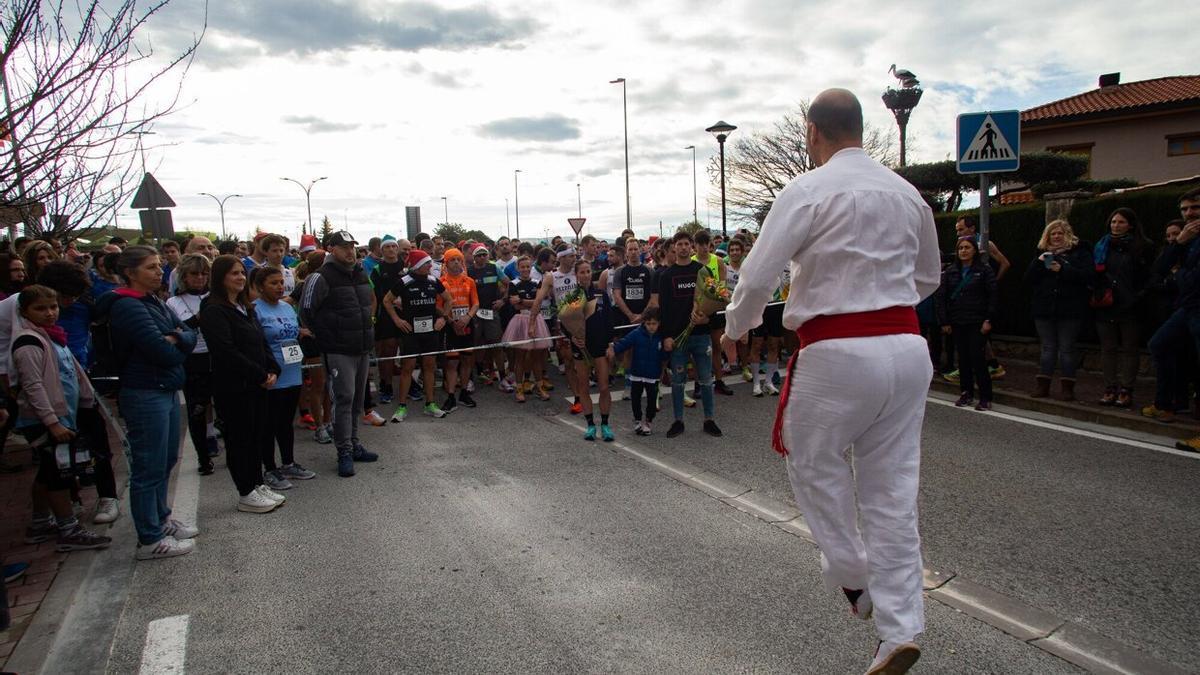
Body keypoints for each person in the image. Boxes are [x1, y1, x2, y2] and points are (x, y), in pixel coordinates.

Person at [722, 89, 940, 674]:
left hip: (837, 351)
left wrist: (735, 328)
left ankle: (854, 581)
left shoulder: (807, 190)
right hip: (908, 347)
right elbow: (928, 277)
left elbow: (759, 275)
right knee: (892, 494)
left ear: (813, 132)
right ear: (862, 129)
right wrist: (881, 301)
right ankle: (899, 631)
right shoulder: (907, 193)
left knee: (813, 464)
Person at [94, 245, 199, 560]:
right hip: (144, 391)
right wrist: (176, 340)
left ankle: (162, 519)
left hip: (164, 387)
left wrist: (176, 337)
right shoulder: (126, 305)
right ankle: (150, 538)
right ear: (130, 272)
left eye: (158, 266)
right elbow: (161, 350)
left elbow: (188, 333)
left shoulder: (153, 300)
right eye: (151, 267)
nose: (159, 271)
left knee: (165, 461)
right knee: (148, 466)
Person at [13, 285, 113, 551]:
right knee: (58, 475)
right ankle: (67, 529)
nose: (49, 313)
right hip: (46, 420)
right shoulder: (28, 342)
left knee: (47, 473)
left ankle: (39, 522)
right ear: (24, 311)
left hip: (64, 414)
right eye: (40, 308)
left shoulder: (52, 336)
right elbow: (33, 386)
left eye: (53, 307)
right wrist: (52, 422)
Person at [199, 256, 285, 513]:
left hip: (258, 384)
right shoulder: (213, 309)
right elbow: (226, 351)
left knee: (256, 435)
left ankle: (257, 483)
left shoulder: (245, 306)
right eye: (233, 273)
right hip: (235, 386)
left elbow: (260, 341)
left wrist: (272, 368)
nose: (239, 278)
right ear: (220, 277)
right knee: (240, 439)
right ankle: (245, 490)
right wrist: (259, 374)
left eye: (241, 273)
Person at [300, 231, 379, 477]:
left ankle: (354, 444)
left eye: (352, 247)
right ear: (331, 248)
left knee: (357, 401)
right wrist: (326, 336)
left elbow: (367, 305)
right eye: (344, 247)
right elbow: (306, 311)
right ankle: (343, 450)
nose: (350, 251)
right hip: (337, 350)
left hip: (362, 347)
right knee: (343, 400)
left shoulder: (360, 272)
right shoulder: (319, 276)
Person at [650, 231, 721, 438]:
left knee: (706, 379)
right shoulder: (666, 276)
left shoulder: (703, 271)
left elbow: (714, 301)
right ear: (674, 247)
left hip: (701, 335)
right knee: (678, 380)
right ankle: (678, 421)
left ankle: (709, 419)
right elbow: (664, 310)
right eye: (679, 244)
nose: (682, 247)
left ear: (691, 247)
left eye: (686, 244)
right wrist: (666, 336)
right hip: (678, 338)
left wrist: (707, 319)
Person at [252, 266, 316, 488]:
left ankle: (288, 463)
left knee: (285, 423)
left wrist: (301, 332)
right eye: (273, 283)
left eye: (281, 282)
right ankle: (269, 468)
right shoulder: (255, 310)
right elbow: (256, 343)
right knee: (268, 424)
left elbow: (292, 331)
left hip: (293, 372)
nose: (280, 287)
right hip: (272, 375)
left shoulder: (288, 308)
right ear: (260, 287)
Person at [1147, 189, 1200, 430]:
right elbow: (1160, 268)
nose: (1190, 213)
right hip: (1188, 306)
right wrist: (1179, 242)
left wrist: (1179, 276)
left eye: (1195, 208)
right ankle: (1164, 404)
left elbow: (1188, 277)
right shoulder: (1187, 239)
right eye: (1185, 209)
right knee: (1159, 344)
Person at [1025, 220, 1092, 400]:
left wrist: (1063, 269)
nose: (1056, 237)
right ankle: (1043, 385)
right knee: (1047, 348)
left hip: (1069, 309)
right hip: (1045, 308)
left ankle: (1067, 387)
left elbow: (1087, 276)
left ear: (1067, 235)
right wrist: (1038, 263)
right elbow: (1029, 279)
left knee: (1067, 349)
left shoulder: (1079, 254)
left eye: (1060, 233)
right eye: (1053, 234)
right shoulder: (1042, 254)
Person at [165, 254, 219, 475]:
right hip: (192, 359)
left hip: (216, 356)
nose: (199, 278)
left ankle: (221, 440)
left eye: (204, 273)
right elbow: (177, 330)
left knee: (225, 407)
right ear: (184, 277)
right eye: (194, 274)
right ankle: (203, 457)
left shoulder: (214, 296)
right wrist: (199, 317)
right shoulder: (173, 302)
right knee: (197, 409)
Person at [1093, 208, 1153, 408]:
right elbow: (1095, 274)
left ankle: (1127, 389)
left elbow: (1147, 276)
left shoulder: (1142, 247)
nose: (1116, 226)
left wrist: (1138, 297)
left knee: (1129, 349)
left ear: (1131, 225)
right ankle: (1109, 388)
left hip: (1130, 305)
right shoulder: (1102, 246)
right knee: (1108, 349)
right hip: (1106, 303)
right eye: (1113, 222)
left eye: (1120, 222)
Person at [382, 249, 451, 421]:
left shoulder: (433, 281)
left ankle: (430, 404)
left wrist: (443, 318)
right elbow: (386, 300)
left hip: (430, 331)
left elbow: (449, 300)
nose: (430, 266)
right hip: (410, 332)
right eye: (427, 263)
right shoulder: (404, 281)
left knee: (429, 366)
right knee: (408, 368)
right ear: (418, 265)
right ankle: (402, 406)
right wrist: (397, 320)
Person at [938, 237, 998, 410]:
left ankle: (985, 397)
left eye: (967, 247)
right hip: (958, 321)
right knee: (962, 359)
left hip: (977, 321)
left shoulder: (984, 271)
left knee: (977, 357)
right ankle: (966, 392)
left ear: (974, 250)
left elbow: (992, 296)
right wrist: (945, 321)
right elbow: (942, 298)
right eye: (961, 248)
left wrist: (989, 319)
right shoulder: (950, 272)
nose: (963, 251)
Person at [530, 246, 582, 414]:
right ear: (561, 258)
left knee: (583, 362)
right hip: (563, 324)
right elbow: (538, 301)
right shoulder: (551, 277)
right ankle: (578, 397)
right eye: (570, 256)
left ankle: (584, 392)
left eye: (575, 255)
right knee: (568, 362)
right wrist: (532, 323)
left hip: (583, 323)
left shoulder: (580, 271)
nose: (574, 258)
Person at [567, 259, 615, 441]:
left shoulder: (601, 294)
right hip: (581, 347)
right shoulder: (572, 297)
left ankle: (605, 424)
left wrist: (610, 343)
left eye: (588, 271)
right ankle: (590, 425)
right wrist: (571, 336)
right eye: (582, 272)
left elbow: (610, 321)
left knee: (603, 386)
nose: (585, 275)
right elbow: (565, 321)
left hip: (600, 346)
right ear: (576, 275)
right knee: (584, 387)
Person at [293, 250, 332, 443]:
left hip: (330, 339)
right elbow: (288, 305)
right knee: (319, 384)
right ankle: (319, 426)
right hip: (313, 340)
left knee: (330, 385)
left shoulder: (330, 281)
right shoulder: (306, 284)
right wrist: (299, 327)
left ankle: (328, 421)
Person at [608, 307, 667, 435]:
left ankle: (648, 421)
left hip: (653, 374)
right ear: (643, 323)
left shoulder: (661, 337)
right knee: (635, 398)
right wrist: (613, 349)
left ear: (659, 323)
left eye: (654, 324)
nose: (651, 327)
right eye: (648, 324)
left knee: (652, 400)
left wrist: (663, 370)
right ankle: (638, 420)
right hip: (637, 374)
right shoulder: (636, 333)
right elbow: (624, 343)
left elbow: (664, 356)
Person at [503, 255, 553, 402]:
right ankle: (519, 388)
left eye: (527, 267)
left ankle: (539, 386)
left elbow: (539, 301)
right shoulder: (513, 283)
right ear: (518, 268)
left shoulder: (538, 282)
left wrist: (524, 300)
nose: (525, 269)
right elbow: (515, 305)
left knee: (537, 356)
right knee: (520, 357)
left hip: (536, 319)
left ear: (531, 268)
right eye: (522, 267)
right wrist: (530, 302)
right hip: (519, 321)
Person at [437, 247, 479, 412]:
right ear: (446, 263)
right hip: (450, 327)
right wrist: (451, 321)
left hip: (467, 325)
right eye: (452, 260)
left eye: (459, 260)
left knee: (467, 360)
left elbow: (475, 303)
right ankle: (451, 396)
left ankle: (464, 392)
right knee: (452, 362)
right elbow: (438, 306)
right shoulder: (440, 282)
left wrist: (467, 317)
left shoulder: (469, 281)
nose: (456, 263)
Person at [692, 231, 734, 396]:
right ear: (695, 245)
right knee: (698, 349)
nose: (703, 247)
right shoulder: (692, 262)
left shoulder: (717, 261)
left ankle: (719, 381)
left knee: (717, 346)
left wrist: (716, 294)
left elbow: (722, 287)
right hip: (698, 310)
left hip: (714, 309)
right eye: (699, 244)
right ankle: (697, 384)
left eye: (705, 244)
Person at [370, 236, 407, 404]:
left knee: (407, 349)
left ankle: (410, 383)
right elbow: (375, 295)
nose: (391, 249)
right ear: (382, 250)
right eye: (387, 247)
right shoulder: (377, 269)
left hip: (405, 312)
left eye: (394, 246)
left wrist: (404, 300)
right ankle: (386, 385)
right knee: (388, 350)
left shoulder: (406, 266)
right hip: (385, 314)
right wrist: (393, 300)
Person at [468, 244, 509, 391]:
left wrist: (503, 300)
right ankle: (475, 376)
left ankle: (503, 378)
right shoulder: (469, 271)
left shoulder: (493, 268)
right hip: (475, 313)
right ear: (474, 257)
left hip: (491, 312)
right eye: (479, 255)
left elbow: (508, 283)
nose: (482, 257)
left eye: (484, 254)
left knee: (496, 345)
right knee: (476, 345)